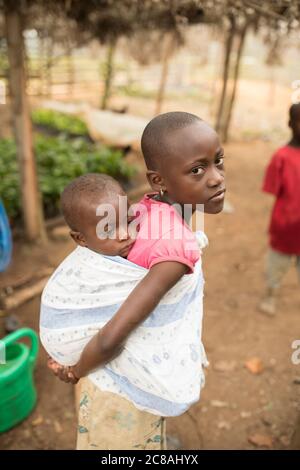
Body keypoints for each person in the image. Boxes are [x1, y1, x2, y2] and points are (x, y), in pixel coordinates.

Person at [41, 112, 226, 450]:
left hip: (106, 371)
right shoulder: (173, 250)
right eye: (197, 170)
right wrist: (75, 370)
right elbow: (112, 337)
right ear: (158, 181)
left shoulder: (146, 209)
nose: (216, 178)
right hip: (117, 387)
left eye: (218, 161)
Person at [259, 103, 300, 316]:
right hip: (284, 226)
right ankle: (270, 295)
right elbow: (272, 189)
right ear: (291, 124)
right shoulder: (281, 157)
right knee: (276, 267)